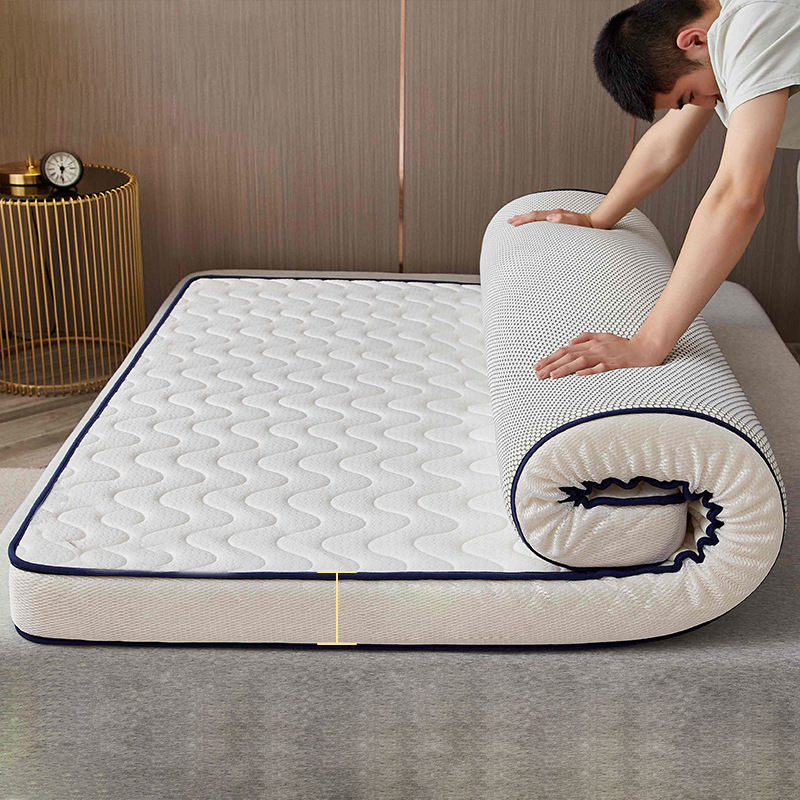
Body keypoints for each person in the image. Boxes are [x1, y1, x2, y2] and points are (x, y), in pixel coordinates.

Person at [508, 0, 800, 380]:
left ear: (692, 41)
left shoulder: (750, 25)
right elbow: (667, 143)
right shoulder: (716, 37)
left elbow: (737, 197)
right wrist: (599, 218)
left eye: (687, 96)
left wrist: (647, 344)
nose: (703, 105)